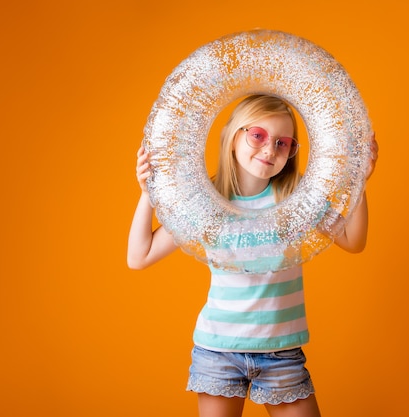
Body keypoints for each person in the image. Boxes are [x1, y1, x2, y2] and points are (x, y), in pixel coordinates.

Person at [128, 95, 378, 417]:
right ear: (234, 138)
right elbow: (139, 256)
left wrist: (359, 180)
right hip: (219, 352)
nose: (270, 150)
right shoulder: (205, 203)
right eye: (258, 135)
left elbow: (353, 240)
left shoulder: (296, 200)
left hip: (281, 354)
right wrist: (149, 193)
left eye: (283, 143)